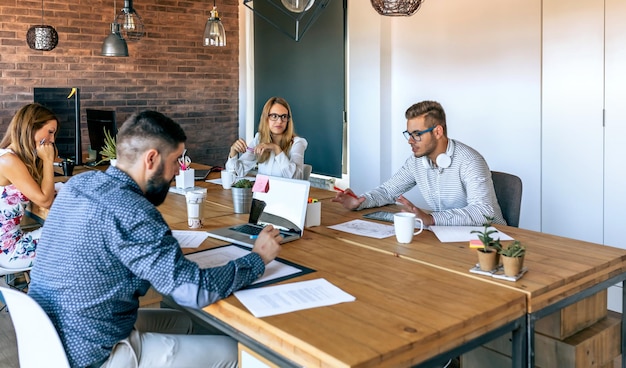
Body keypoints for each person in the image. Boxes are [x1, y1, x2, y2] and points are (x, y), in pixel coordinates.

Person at [28, 110, 283, 368]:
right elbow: (193, 291)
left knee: (184, 322)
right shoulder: (135, 211)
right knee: (235, 352)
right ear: (151, 159)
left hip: (47, 337)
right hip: (92, 354)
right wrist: (258, 257)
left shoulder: (78, 184)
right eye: (175, 161)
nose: (177, 170)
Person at [332, 100, 505, 227]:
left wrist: (432, 219)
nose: (410, 141)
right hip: (448, 237)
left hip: (490, 240)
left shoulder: (470, 161)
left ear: (437, 131)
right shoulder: (417, 162)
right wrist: (361, 201)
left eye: (417, 134)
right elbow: (387, 191)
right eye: (409, 134)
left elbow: (483, 212)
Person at [0, 103, 57, 269]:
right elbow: (45, 202)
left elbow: (42, 194)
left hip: (11, 243)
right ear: (32, 127)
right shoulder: (8, 161)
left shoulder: (11, 156)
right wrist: (48, 160)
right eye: (50, 132)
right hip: (8, 251)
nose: (52, 140)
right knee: (74, 235)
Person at [226, 96, 308, 179]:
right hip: (262, 191)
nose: (279, 121)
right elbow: (236, 173)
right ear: (266, 118)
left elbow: (297, 178)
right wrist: (233, 152)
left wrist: (276, 149)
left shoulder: (297, 143)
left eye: (284, 116)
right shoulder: (259, 139)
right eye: (274, 116)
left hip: (284, 192)